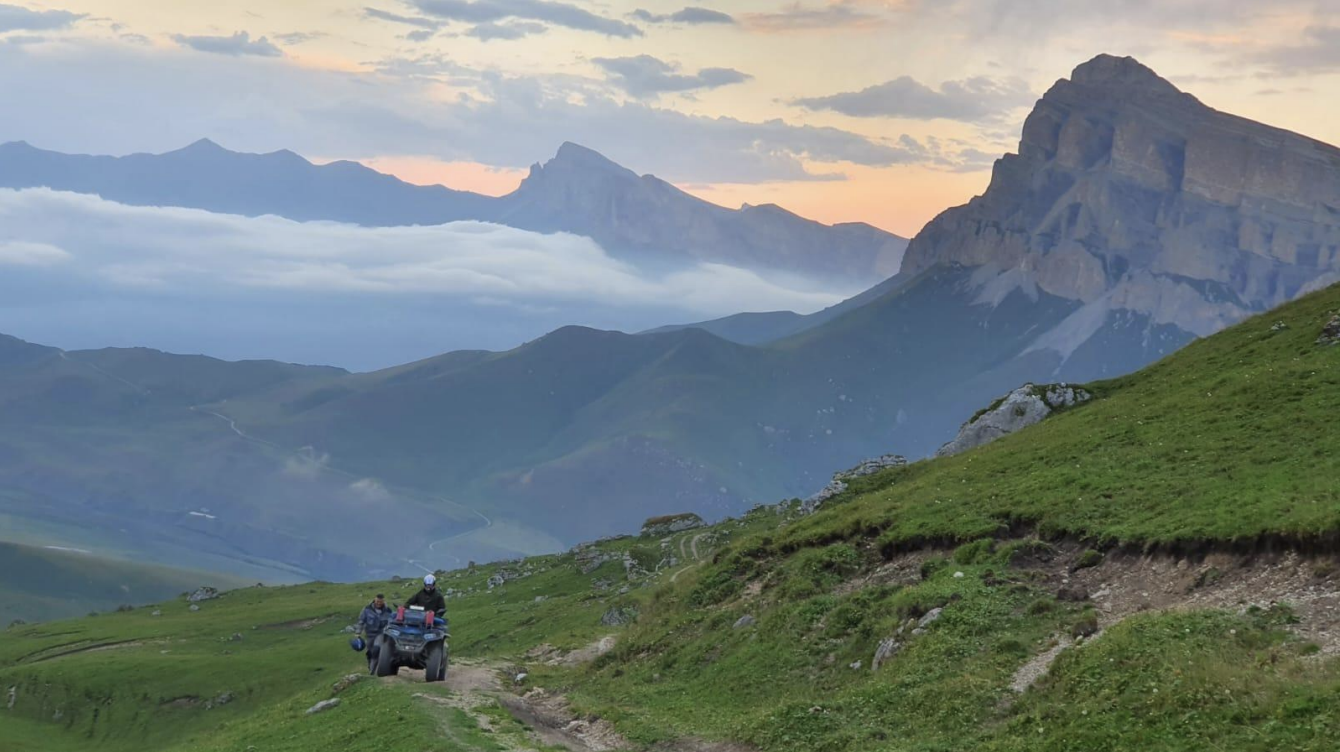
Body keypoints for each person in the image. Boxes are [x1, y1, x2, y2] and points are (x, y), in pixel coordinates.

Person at [358, 593, 393, 664]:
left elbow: (391, 622)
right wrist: (358, 632)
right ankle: (370, 663)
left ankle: (378, 663)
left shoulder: (388, 611)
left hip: (381, 634)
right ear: (374, 600)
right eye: (377, 601)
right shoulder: (367, 609)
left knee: (377, 649)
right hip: (370, 634)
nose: (379, 603)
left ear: (383, 601)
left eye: (380, 602)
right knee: (369, 651)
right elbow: (361, 621)